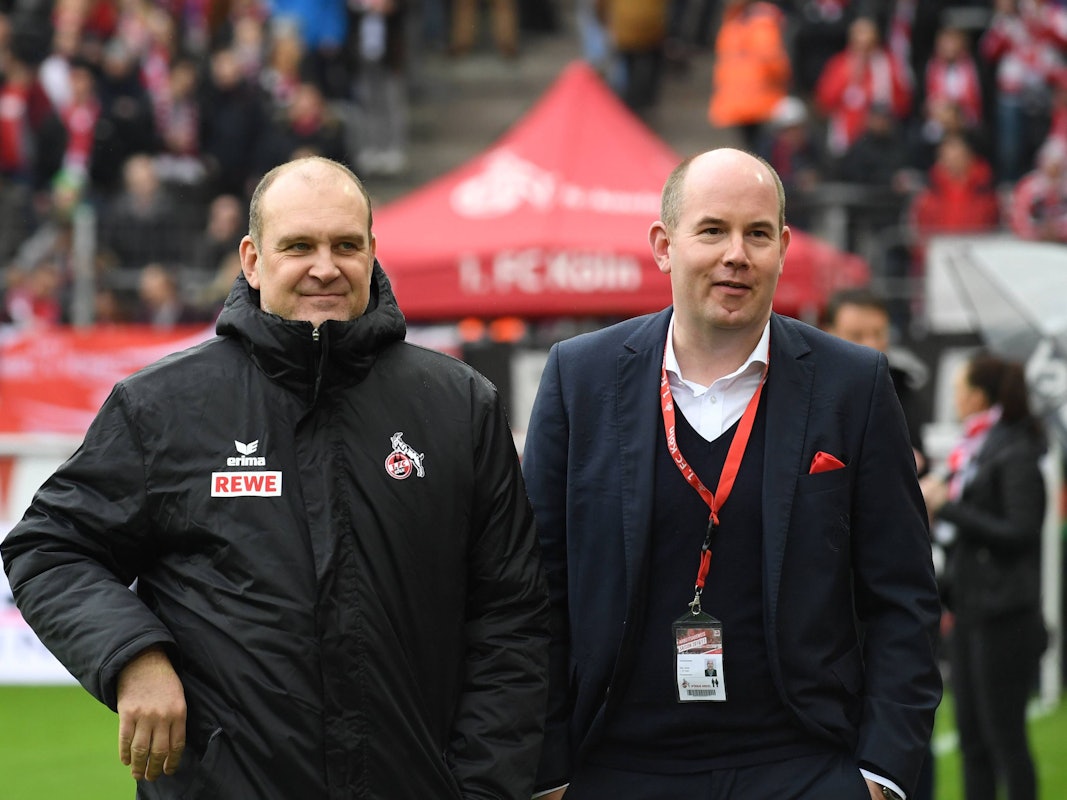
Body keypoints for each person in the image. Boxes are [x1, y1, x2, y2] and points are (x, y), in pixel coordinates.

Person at [1, 156, 550, 798]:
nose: (325, 266)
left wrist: (485, 789)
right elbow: (49, 546)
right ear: (253, 259)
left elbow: (512, 617)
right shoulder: (163, 406)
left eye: (346, 245)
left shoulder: (459, 405)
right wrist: (135, 658)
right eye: (299, 246)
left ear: (372, 252)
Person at [522, 148, 941, 800]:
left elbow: (903, 596)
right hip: (617, 765)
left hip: (800, 763)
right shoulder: (580, 378)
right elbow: (534, 593)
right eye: (712, 230)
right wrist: (547, 772)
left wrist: (878, 774)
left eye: (757, 233)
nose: (735, 254)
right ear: (664, 246)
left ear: (782, 247)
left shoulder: (851, 385)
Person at [920, 352, 1048, 800]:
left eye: (959, 388)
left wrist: (947, 506)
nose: (955, 397)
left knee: (1005, 740)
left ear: (977, 395)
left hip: (1005, 615)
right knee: (972, 740)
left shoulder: (1014, 449)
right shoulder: (975, 447)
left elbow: (1020, 530)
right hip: (971, 609)